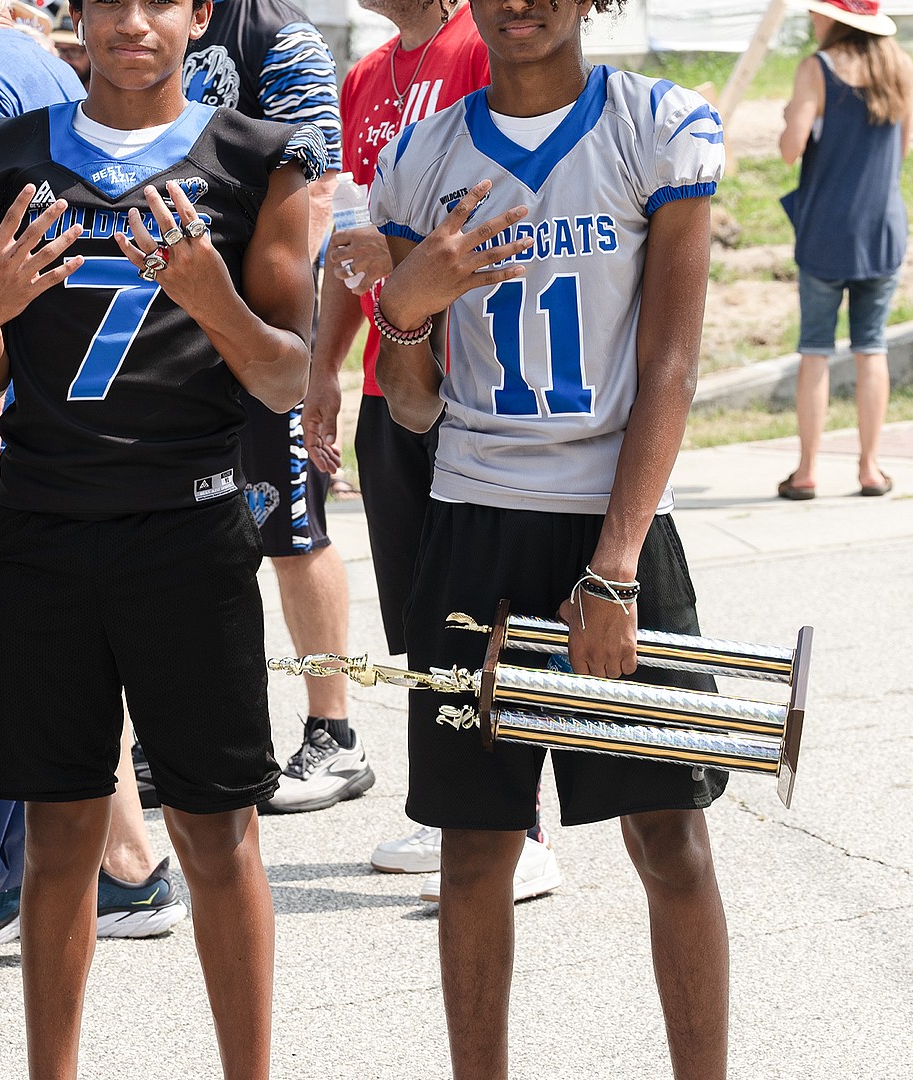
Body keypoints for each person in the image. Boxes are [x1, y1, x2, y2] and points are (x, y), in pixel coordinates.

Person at [0, 0, 323, 1070]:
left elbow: (288, 373)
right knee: (63, 835)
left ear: (199, 14)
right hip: (47, 527)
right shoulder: (1, 158)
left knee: (216, 828)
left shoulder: (256, 161)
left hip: (188, 528)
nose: (132, 20)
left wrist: (211, 297)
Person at [370, 1, 729, 1076]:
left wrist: (614, 569)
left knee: (668, 833)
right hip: (474, 515)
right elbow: (410, 405)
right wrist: (406, 305)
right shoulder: (419, 156)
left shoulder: (657, 125)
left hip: (614, 527)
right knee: (474, 850)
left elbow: (670, 363)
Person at [0, 0, 186, 962]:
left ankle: (46, 869)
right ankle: (128, 865)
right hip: (65, 399)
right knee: (62, 651)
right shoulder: (54, 70)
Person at [313, 0, 558, 898]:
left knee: (485, 609)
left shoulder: (479, 45)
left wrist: (403, 251)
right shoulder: (366, 77)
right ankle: (459, 810)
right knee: (420, 613)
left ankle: (518, 825)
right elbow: (351, 242)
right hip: (393, 375)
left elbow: (513, 202)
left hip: (477, 381)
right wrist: (323, 373)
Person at [180, 0, 365, 816]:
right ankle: (179, 735)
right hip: (173, 319)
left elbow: (316, 186)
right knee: (184, 528)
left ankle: (335, 733)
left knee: (292, 527)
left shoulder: (278, 34)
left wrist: (274, 317)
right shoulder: (161, 20)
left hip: (256, 319)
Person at [775, 0, 913, 502]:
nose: (812, 18)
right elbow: (899, 153)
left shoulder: (816, 69)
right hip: (883, 230)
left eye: (817, 11)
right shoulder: (901, 65)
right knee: (870, 348)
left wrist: (792, 117)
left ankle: (808, 471)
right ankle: (871, 469)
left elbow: (790, 150)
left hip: (827, 234)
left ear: (835, 19)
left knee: (815, 350)